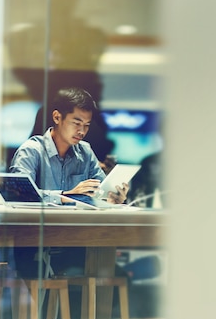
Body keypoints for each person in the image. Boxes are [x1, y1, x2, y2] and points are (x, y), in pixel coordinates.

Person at [7, 87, 129, 278]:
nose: (82, 131)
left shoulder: (85, 152)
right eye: (76, 123)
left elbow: (100, 192)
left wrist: (113, 197)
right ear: (57, 117)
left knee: (108, 271)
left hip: (75, 242)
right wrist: (65, 196)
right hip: (35, 246)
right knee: (100, 274)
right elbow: (17, 196)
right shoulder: (32, 150)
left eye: (87, 125)